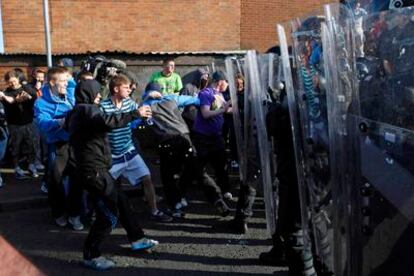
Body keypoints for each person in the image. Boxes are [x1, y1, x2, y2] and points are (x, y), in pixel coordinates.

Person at [66, 75, 158, 271]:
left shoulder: (78, 110)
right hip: (94, 171)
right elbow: (108, 122)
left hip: (97, 168)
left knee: (121, 200)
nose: (99, 96)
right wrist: (135, 113)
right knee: (109, 214)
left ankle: (137, 238)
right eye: (96, 92)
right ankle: (91, 254)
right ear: (89, 94)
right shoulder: (88, 110)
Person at [138, 82, 230, 217]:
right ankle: (216, 198)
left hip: (166, 142)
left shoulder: (145, 106)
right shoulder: (171, 99)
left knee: (168, 176)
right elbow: (196, 100)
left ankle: (175, 206)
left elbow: (135, 121)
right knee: (198, 171)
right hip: (185, 138)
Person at [99, 75, 172, 223]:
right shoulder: (103, 106)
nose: (129, 89)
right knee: (105, 188)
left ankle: (154, 210)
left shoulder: (129, 103)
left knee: (147, 178)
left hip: (129, 151)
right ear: (115, 89)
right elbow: (106, 125)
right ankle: (102, 215)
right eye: (126, 87)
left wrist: (145, 116)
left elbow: (140, 114)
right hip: (112, 156)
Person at [34, 67, 83, 230]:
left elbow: (78, 86)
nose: (66, 83)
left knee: (77, 180)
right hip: (58, 146)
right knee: (55, 181)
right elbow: (42, 123)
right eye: (62, 81)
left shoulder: (70, 92)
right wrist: (59, 122)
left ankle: (75, 215)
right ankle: (59, 213)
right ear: (52, 83)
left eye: (67, 80)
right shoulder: (41, 102)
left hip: (75, 144)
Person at [192, 70, 232, 200]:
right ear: (220, 81)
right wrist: (223, 109)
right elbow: (206, 113)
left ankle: (225, 190)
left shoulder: (219, 94)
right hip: (203, 136)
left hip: (216, 135)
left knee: (221, 163)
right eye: (227, 81)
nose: (228, 84)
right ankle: (186, 193)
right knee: (199, 165)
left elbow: (225, 109)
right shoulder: (206, 94)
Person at [0, 70, 38, 179]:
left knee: (32, 145)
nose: (13, 84)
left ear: (18, 79)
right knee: (16, 147)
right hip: (14, 124)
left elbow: (34, 95)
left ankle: (31, 165)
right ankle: (17, 168)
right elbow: (10, 101)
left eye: (14, 81)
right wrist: (16, 100)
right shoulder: (6, 92)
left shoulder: (26, 88)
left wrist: (27, 96)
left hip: (28, 122)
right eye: (10, 82)